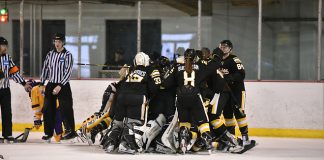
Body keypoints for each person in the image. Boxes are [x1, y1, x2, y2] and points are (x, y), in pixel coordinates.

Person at [40, 33, 76, 141]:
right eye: (56, 41)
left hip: (63, 85)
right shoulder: (50, 54)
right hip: (51, 84)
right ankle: (48, 133)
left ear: (63, 42)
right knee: (47, 109)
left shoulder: (68, 55)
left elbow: (68, 72)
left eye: (59, 42)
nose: (57, 44)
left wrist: (60, 85)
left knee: (66, 108)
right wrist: (42, 84)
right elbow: (45, 69)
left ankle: (70, 131)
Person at [218, 40, 251, 146]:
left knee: (239, 112)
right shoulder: (217, 60)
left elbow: (242, 74)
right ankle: (231, 136)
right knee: (227, 114)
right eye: (222, 47)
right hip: (226, 92)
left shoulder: (234, 59)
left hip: (237, 91)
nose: (223, 49)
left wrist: (230, 78)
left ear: (230, 49)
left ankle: (245, 135)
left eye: (225, 47)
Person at [0, 36, 32, 142]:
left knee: (7, 112)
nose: (5, 48)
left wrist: (24, 84)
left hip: (5, 90)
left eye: (6, 46)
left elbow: (14, 73)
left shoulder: (7, 58)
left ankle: (7, 134)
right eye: (3, 46)